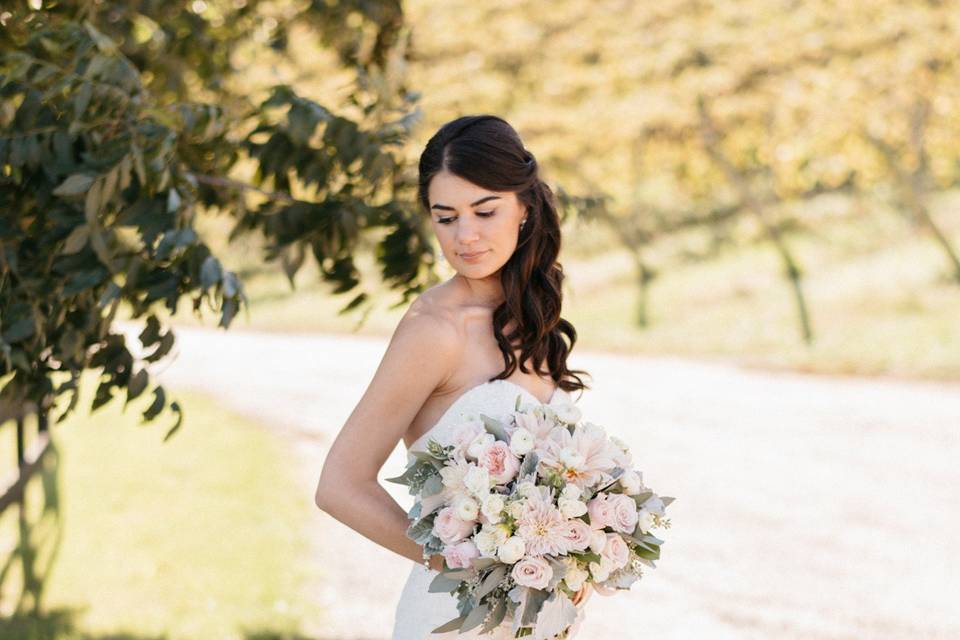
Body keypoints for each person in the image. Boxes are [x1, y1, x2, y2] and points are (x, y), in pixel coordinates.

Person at [315, 115, 593, 639]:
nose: (465, 236)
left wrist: (575, 550)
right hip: (455, 620)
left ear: (525, 207)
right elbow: (339, 485)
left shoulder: (531, 317)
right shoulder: (434, 331)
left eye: (484, 211)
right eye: (446, 218)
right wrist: (462, 563)